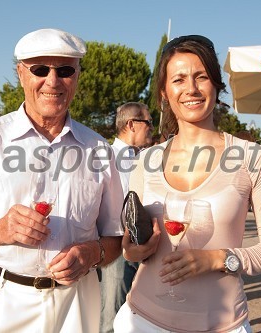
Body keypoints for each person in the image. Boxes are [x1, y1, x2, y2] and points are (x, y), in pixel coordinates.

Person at [0, 28, 124, 333]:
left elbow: (114, 239)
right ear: (21, 74)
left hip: (77, 302)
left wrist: (92, 253)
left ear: (77, 76)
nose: (53, 81)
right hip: (3, 300)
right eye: (40, 70)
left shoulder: (99, 149)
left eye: (65, 70)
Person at [113, 35, 261, 333]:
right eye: (179, 80)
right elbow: (131, 249)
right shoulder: (147, 160)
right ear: (165, 93)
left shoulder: (255, 158)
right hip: (141, 320)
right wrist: (133, 250)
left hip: (222, 325)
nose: (191, 89)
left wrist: (219, 258)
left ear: (217, 85)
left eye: (202, 77)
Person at [99, 102, 153, 333]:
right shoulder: (103, 157)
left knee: (141, 318)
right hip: (116, 251)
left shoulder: (148, 160)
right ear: (132, 124)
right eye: (149, 123)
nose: (152, 128)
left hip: (146, 249)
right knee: (112, 317)